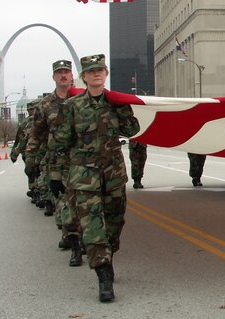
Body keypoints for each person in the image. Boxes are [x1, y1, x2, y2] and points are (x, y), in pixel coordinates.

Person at [51, 54, 139, 302]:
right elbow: (61, 142)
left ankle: (108, 257)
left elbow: (132, 130)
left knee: (114, 225)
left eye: (100, 70)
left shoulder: (116, 103)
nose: (96, 74)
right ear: (84, 77)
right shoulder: (72, 107)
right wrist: (56, 174)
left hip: (113, 176)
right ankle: (103, 276)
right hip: (84, 177)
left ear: (106, 73)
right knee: (91, 228)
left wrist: (122, 109)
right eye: (91, 71)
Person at [28, 60, 83, 266]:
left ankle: (86, 240)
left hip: (82, 161)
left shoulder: (82, 100)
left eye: (66, 72)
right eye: (59, 72)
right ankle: (75, 245)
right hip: (58, 164)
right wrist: (31, 160)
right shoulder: (45, 105)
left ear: (72, 76)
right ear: (53, 77)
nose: (63, 76)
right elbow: (37, 134)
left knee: (86, 203)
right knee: (66, 204)